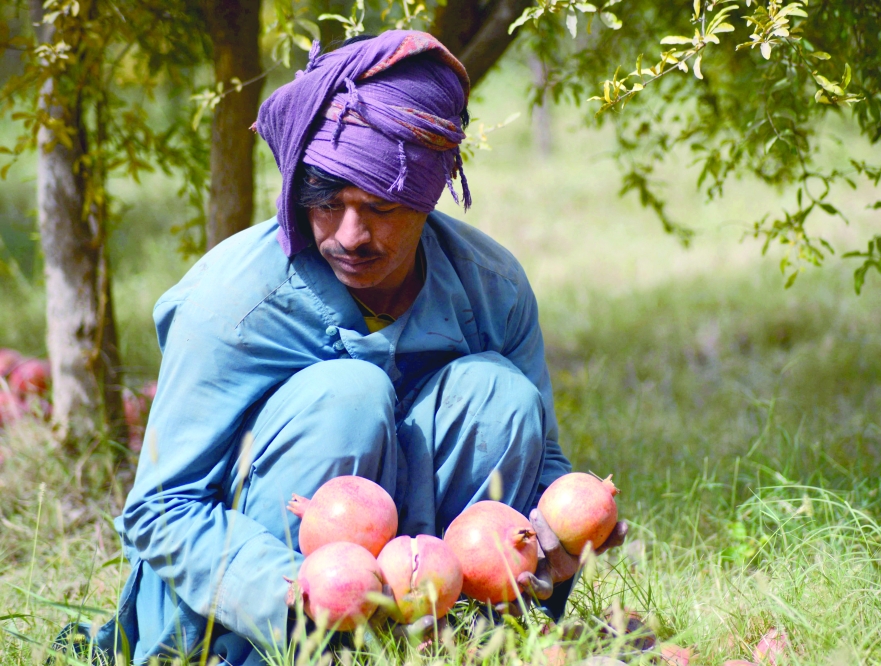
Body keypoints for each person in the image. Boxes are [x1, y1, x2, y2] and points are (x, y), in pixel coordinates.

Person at [93, 30, 626, 665]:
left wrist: (555, 530)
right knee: (349, 393)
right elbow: (161, 509)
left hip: (424, 590)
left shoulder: (493, 288)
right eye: (327, 203)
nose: (350, 235)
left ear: (427, 197)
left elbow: (541, 466)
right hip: (244, 614)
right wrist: (296, 590)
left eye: (380, 208)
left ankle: (460, 643)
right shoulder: (232, 305)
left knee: (500, 393)